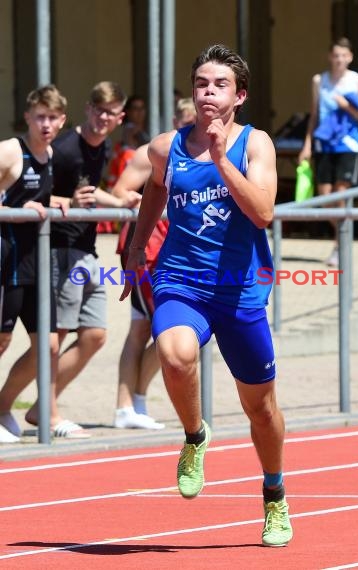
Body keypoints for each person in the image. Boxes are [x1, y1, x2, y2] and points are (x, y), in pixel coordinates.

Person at [120, 44, 293, 547]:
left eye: (218, 85)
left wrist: (220, 159)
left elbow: (262, 213)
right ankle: (196, 436)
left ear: (239, 95)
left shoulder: (255, 144)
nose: (207, 92)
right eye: (200, 83)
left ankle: (275, 492)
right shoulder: (166, 146)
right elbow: (155, 188)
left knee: (260, 409)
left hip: (240, 289)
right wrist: (135, 249)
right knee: (174, 355)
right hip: (181, 279)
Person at [23, 81, 140, 439]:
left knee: (95, 335)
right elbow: (43, 191)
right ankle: (42, 412)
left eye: (110, 113)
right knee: (52, 340)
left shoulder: (100, 146)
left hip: (86, 250)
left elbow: (86, 190)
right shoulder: (64, 147)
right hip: (60, 249)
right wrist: (66, 200)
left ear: (119, 118)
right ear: (87, 110)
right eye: (98, 110)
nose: (103, 118)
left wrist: (118, 203)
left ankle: (40, 406)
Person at [112, 98, 196, 430]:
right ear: (175, 118)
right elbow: (120, 189)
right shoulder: (156, 151)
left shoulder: (204, 153)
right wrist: (133, 199)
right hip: (148, 252)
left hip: (174, 252)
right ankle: (132, 401)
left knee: (140, 329)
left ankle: (129, 405)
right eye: (185, 118)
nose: (191, 124)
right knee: (167, 332)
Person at [0, 85, 68, 443]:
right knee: (2, 339)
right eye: (39, 116)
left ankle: (3, 405)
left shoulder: (51, 155)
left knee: (50, 345)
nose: (46, 124)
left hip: (35, 262)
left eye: (52, 117)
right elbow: (15, 199)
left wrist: (64, 201)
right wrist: (14, 212)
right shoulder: (11, 151)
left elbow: (35, 196)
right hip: (5, 260)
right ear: (27, 117)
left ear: (61, 120)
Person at [298, 37, 358, 266]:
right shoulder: (319, 80)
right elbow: (314, 113)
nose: (339, 59)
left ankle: (339, 245)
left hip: (348, 144)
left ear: (350, 57)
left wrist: (347, 106)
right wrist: (307, 144)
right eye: (336, 55)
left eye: (344, 55)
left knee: (341, 193)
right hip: (323, 142)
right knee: (325, 198)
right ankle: (344, 232)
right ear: (330, 56)